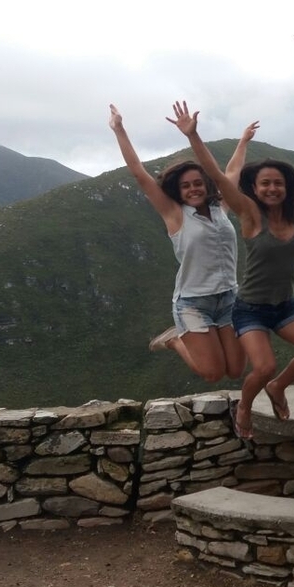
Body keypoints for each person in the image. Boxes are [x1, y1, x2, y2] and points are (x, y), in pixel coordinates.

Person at [168, 101, 294, 439]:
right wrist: (194, 137)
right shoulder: (249, 214)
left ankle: (278, 387)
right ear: (255, 188)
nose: (272, 189)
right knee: (262, 367)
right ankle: (245, 406)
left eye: (277, 183)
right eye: (265, 184)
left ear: (287, 186)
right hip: (250, 309)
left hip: (285, 305)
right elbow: (218, 176)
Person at [109, 104, 248, 383]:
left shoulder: (222, 208)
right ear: (178, 191)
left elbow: (233, 171)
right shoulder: (175, 214)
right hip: (193, 303)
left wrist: (243, 140)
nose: (193, 189)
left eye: (198, 183)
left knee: (235, 371)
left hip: (229, 298)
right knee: (212, 373)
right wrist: (119, 129)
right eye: (186, 186)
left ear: (207, 185)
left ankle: (184, 338)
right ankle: (174, 340)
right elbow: (139, 173)